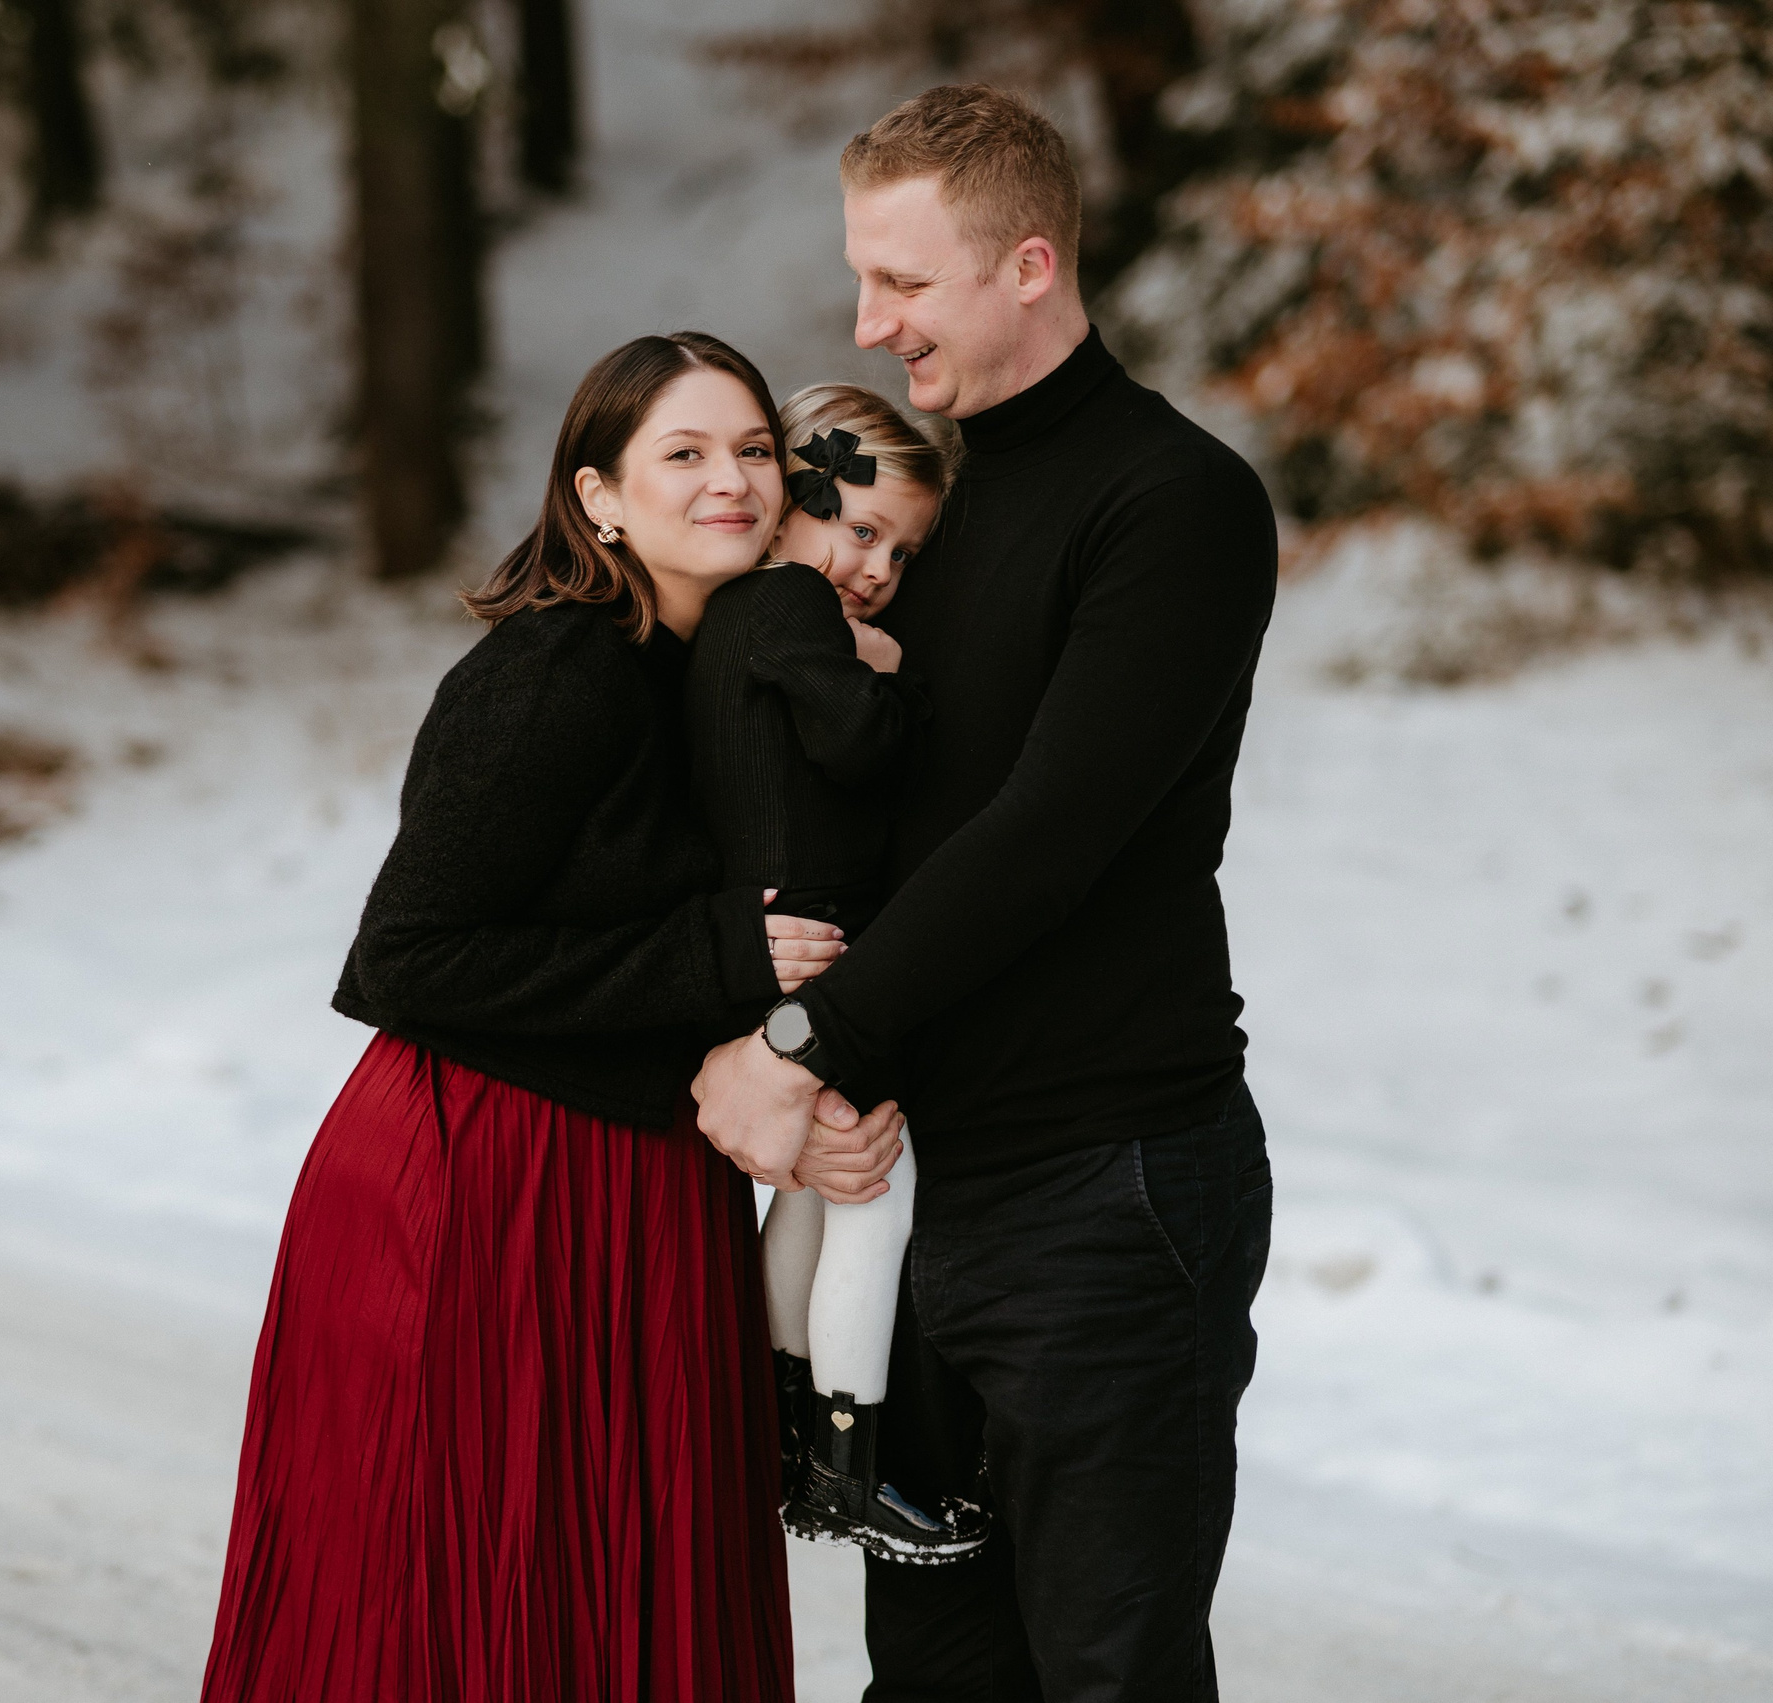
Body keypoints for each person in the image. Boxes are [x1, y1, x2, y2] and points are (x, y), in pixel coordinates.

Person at [693, 85, 1281, 1702]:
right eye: (862, 280)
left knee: (1106, 1669)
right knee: (935, 1676)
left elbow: (1046, 834)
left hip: (1107, 1189)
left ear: (1030, 264)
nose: (872, 324)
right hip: (921, 1185)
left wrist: (805, 1039)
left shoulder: (1173, 506)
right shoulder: (921, 520)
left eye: (906, 282)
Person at [199, 331, 869, 1703]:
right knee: (456, 1596)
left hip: (637, 1182)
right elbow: (407, 956)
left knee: (620, 1589)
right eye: (681, 452)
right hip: (483, 1182)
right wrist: (707, 955)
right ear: (598, 497)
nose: (730, 479)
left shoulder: (720, 670)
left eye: (751, 448)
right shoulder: (554, 674)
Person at [681, 382, 984, 1562]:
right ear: (793, 500)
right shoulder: (793, 604)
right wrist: (896, 675)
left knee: (810, 1189)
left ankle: (784, 1431)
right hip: (812, 948)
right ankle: (854, 1467)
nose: (873, 567)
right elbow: (856, 743)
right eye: (859, 528)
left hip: (772, 942)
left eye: (900, 553)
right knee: (875, 1189)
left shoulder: (732, 615)